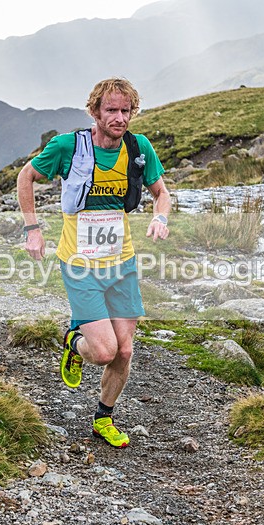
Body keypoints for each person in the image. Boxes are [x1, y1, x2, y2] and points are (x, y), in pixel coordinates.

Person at [17, 78, 171, 448]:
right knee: (103, 352)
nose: (119, 118)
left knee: (126, 350)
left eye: (125, 111)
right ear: (95, 112)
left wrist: (160, 217)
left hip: (122, 265)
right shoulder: (68, 146)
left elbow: (161, 193)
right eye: (111, 110)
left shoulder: (138, 148)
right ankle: (73, 341)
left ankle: (104, 417)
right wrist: (33, 229)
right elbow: (27, 176)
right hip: (80, 265)